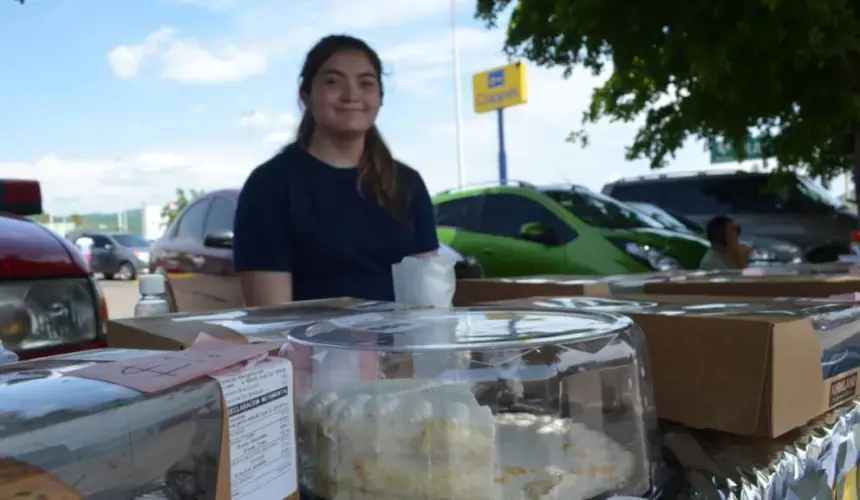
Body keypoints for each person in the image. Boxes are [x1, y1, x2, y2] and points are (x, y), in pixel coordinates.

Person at [233, 35, 439, 307]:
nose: (352, 94)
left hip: (402, 347)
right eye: (333, 81)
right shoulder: (270, 185)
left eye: (366, 83)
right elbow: (272, 320)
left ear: (379, 98)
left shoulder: (407, 183)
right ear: (305, 95)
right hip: (312, 348)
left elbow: (429, 300)